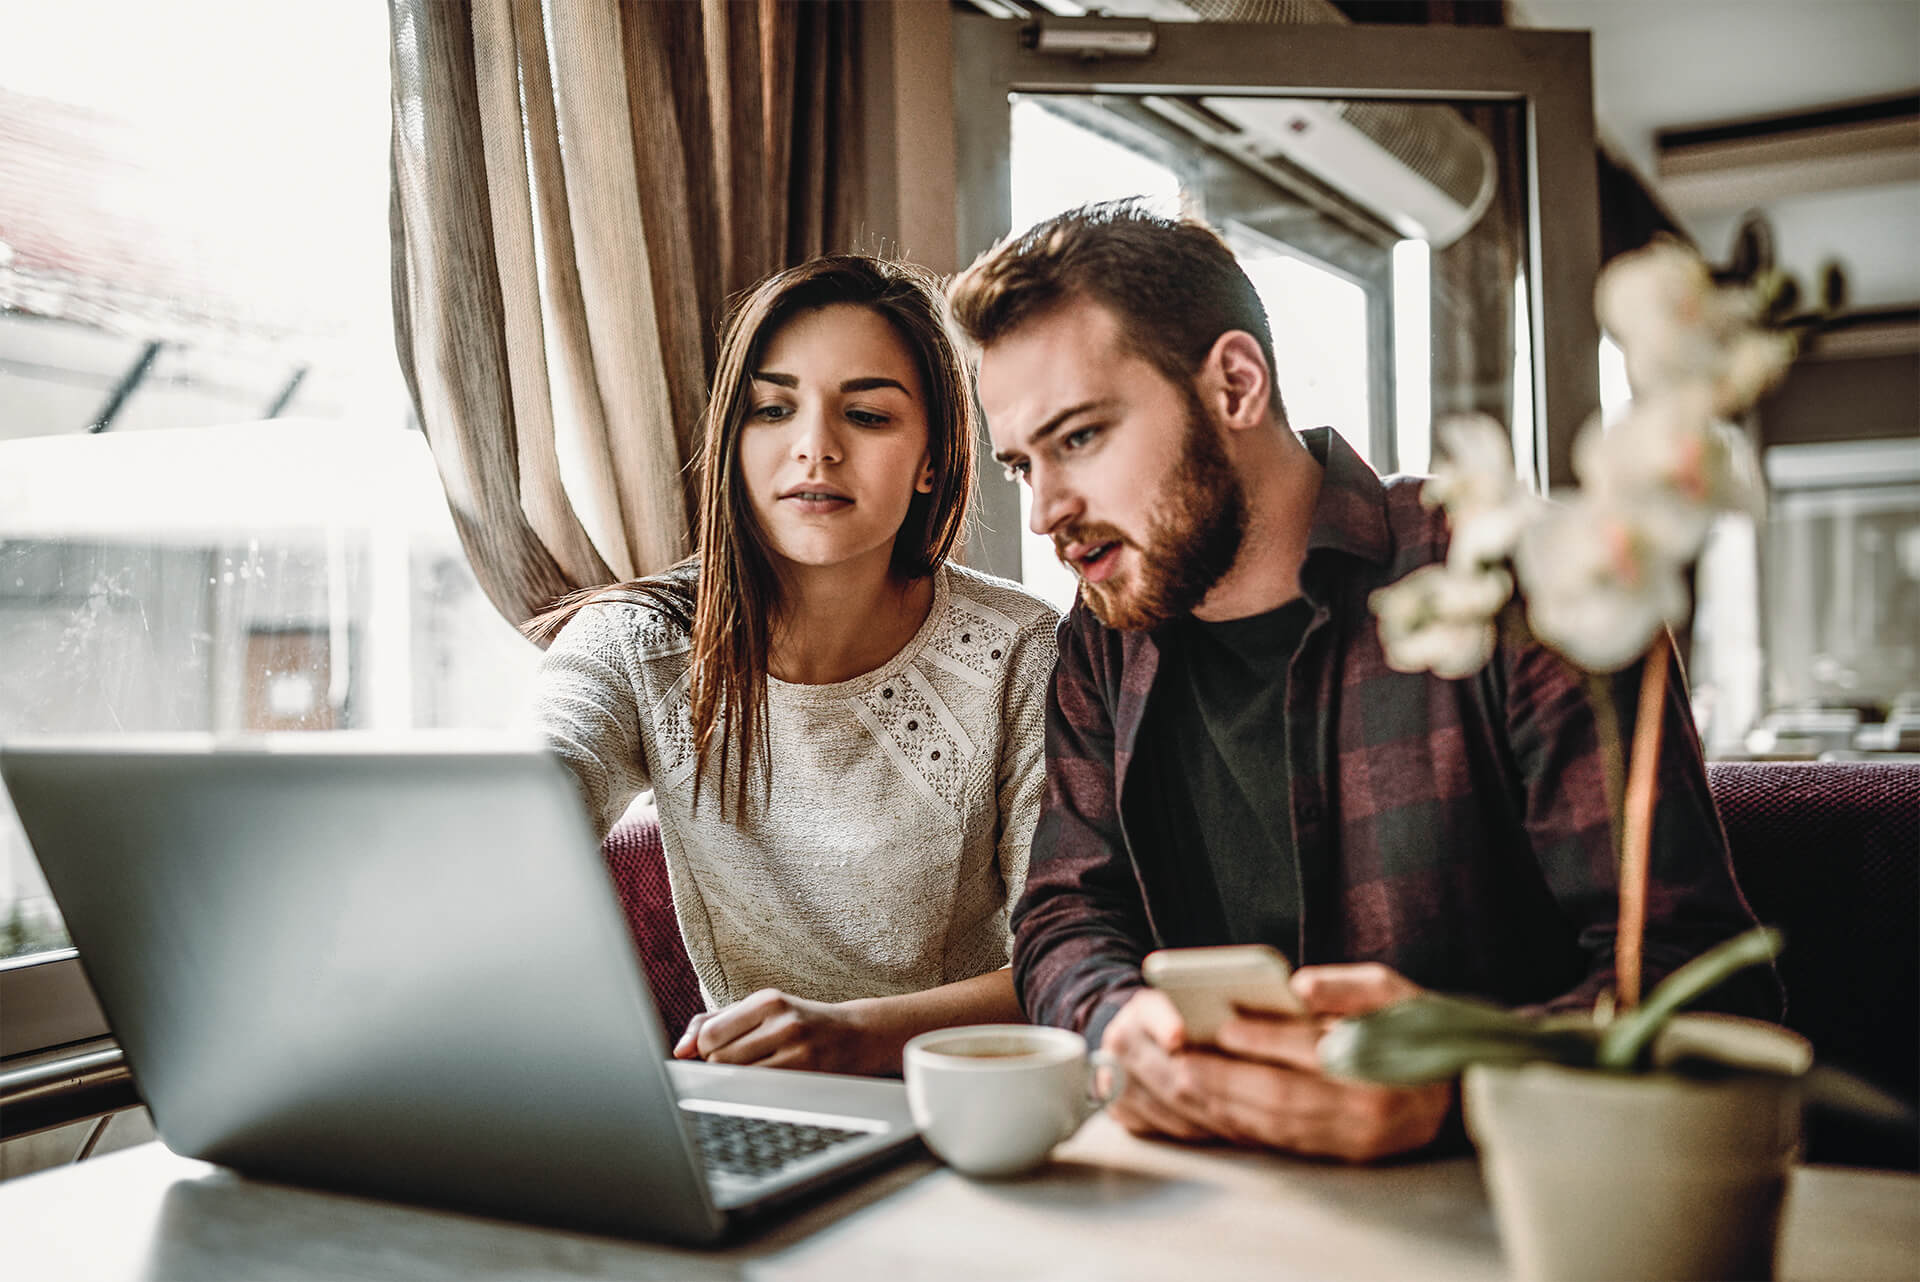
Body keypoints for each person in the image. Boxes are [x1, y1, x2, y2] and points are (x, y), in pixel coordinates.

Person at [946, 201, 1774, 1161]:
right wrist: (1119, 1023)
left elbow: (1703, 990)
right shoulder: (1103, 637)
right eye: (1021, 466)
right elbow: (1063, 914)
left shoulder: (1527, 578)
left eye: (1080, 438)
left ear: (1236, 384)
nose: (1047, 511)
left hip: (1518, 1201)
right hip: (1208, 1198)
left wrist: (1459, 1085)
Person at [530, 256, 1058, 1077]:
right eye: (772, 410)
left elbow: (1069, 964)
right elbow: (526, 798)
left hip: (973, 1102)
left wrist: (858, 1036)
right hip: (758, 1108)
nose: (815, 448)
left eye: (869, 416)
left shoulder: (1021, 650)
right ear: (732, 447)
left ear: (933, 459)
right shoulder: (636, 642)